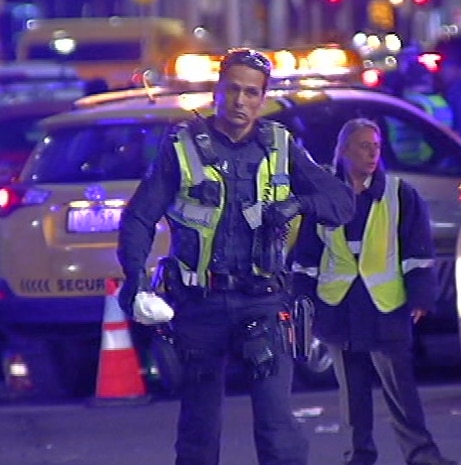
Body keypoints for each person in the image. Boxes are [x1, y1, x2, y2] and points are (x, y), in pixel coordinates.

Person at [116, 48, 355, 465]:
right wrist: (135, 283)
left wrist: (297, 204)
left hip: (264, 304)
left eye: (251, 92)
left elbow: (341, 201)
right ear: (217, 91)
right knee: (198, 432)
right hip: (199, 307)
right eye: (232, 90)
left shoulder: (281, 146)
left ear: (263, 98)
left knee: (278, 430)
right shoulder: (182, 147)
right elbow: (138, 217)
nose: (241, 101)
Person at [291, 118, 458, 465]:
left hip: (385, 306)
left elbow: (417, 251)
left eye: (376, 146)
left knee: (401, 390)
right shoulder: (323, 198)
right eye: (364, 145)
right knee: (352, 394)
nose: (372, 152)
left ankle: (421, 455)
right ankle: (359, 456)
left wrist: (420, 296)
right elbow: (307, 256)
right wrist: (302, 301)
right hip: (339, 306)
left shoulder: (400, 195)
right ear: (344, 150)